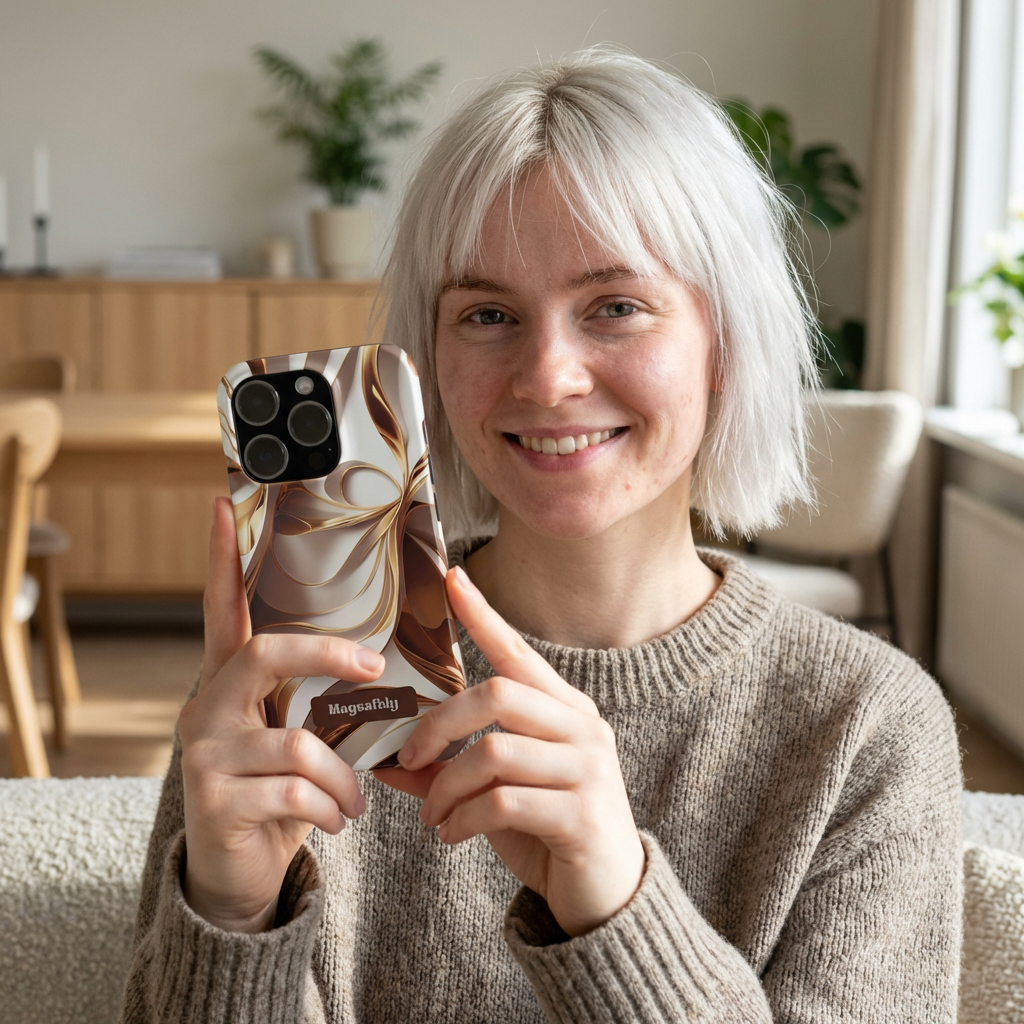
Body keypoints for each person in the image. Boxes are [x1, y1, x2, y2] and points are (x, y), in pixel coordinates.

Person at [121, 49, 962, 1024]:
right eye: (486, 314)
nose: (547, 376)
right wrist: (229, 918)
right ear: (428, 360)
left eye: (614, 306)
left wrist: (613, 900)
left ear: (725, 341)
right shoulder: (293, 692)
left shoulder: (866, 726)